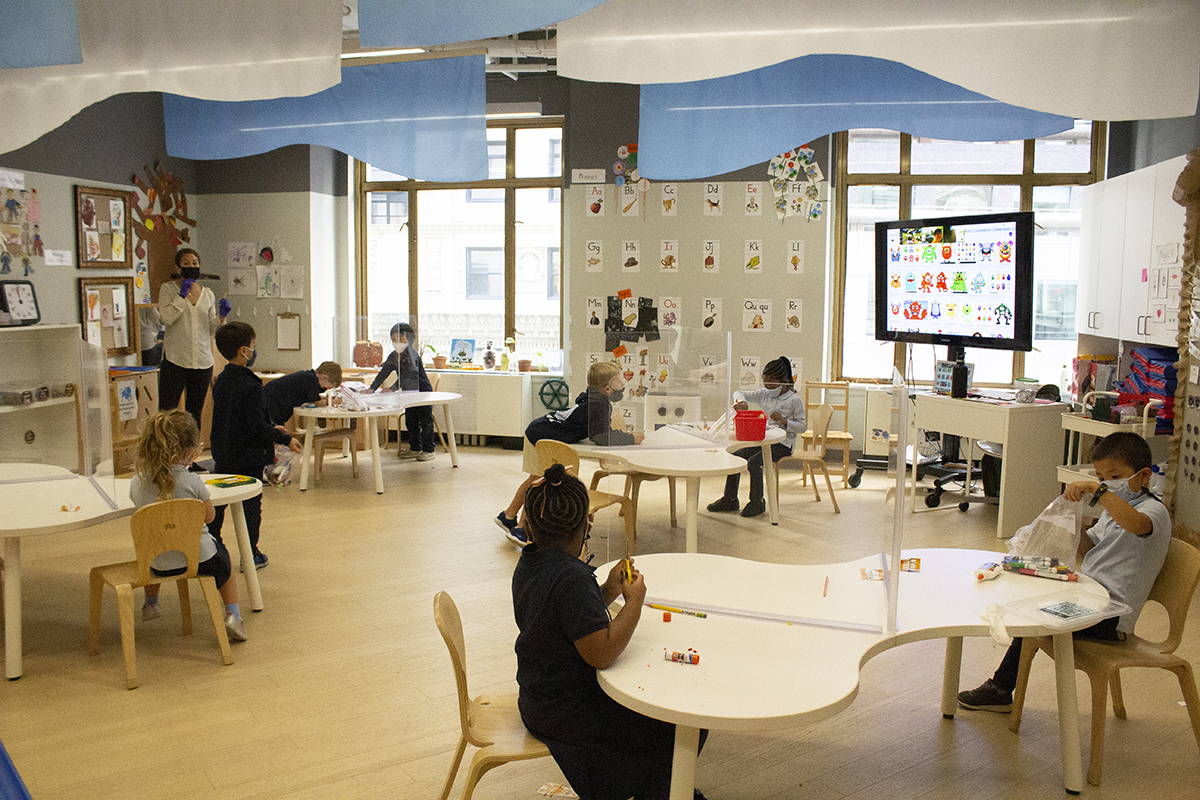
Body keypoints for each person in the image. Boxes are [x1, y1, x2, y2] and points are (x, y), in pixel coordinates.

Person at [512, 463, 707, 800]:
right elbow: (601, 653)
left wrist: (606, 591)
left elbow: (562, 620)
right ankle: (660, 790)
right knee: (682, 722)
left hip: (538, 696)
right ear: (587, 523)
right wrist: (634, 602)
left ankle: (658, 786)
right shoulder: (572, 579)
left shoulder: (530, 564)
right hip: (566, 711)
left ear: (527, 524)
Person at [957, 431, 1171, 712]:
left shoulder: (1154, 511)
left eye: (1116, 477)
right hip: (1091, 597)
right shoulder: (1112, 510)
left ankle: (1000, 689)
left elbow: (1136, 525)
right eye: (1102, 478)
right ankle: (1001, 688)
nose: (1107, 484)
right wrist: (1071, 521)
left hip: (1112, 615)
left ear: (1144, 476)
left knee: (1036, 616)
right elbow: (1089, 545)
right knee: (1030, 596)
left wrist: (1098, 491)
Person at [496, 361, 644, 546]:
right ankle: (520, 528)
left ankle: (508, 515)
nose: (622, 385)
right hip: (541, 437)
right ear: (607, 388)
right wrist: (630, 438)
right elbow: (600, 436)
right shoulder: (599, 405)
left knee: (535, 478)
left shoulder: (593, 398)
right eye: (619, 381)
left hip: (539, 430)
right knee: (538, 482)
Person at [132, 409, 247, 642]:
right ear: (190, 451)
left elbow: (140, 509)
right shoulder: (192, 481)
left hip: (155, 562)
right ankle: (233, 615)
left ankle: (151, 603)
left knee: (156, 547)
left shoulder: (138, 480)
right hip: (197, 559)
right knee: (226, 565)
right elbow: (209, 517)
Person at [208, 321, 303, 570]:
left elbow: (241, 418)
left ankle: (210, 549)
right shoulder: (251, 384)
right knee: (251, 507)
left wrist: (271, 426)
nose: (254, 350)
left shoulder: (222, 380)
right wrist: (285, 438)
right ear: (243, 351)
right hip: (248, 457)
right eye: (253, 345)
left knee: (219, 505)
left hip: (224, 453)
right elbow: (256, 427)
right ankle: (251, 555)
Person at [707, 356, 806, 518]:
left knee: (754, 462)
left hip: (783, 445)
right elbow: (738, 392)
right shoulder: (764, 394)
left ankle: (757, 501)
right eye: (764, 383)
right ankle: (730, 499)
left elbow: (802, 426)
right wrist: (741, 402)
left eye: (771, 384)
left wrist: (784, 421)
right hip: (763, 440)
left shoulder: (794, 401)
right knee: (736, 455)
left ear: (785, 381)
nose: (767, 387)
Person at [158, 248, 231, 432]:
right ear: (178, 267)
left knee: (194, 413)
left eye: (195, 263)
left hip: (202, 362)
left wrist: (222, 317)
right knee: (168, 413)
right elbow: (166, 318)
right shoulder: (168, 289)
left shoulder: (207, 294)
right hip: (175, 360)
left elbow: (211, 329)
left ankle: (190, 457)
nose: (191, 266)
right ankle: (167, 457)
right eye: (186, 264)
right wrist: (181, 296)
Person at [366, 323, 437, 461]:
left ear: (409, 339)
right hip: (408, 392)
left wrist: (392, 388)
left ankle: (429, 450)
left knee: (425, 421)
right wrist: (372, 388)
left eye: (400, 338)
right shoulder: (393, 356)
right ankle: (415, 448)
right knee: (410, 421)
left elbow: (409, 375)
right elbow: (383, 372)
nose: (397, 342)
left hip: (422, 391)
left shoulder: (412, 354)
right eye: (394, 339)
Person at [263, 361, 344, 427]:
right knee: (274, 429)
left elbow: (316, 398)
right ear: (324, 378)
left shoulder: (309, 377)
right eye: (328, 386)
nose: (326, 389)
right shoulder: (311, 380)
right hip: (271, 401)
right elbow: (317, 402)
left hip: (274, 400)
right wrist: (334, 402)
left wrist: (329, 399)